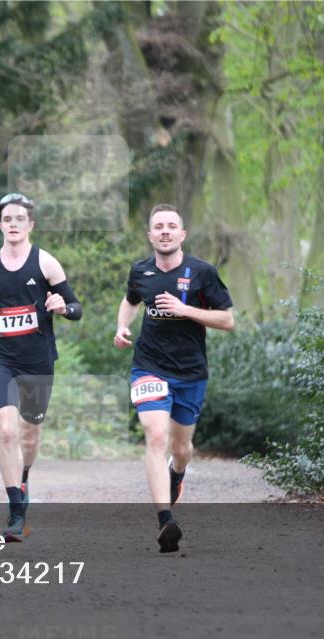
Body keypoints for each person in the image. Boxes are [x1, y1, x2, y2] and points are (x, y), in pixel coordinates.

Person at [114, 204, 234, 553]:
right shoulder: (140, 271)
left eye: (171, 226)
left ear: (182, 234)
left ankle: (177, 474)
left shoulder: (202, 272)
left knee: (181, 448)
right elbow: (130, 301)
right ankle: (165, 520)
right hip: (149, 366)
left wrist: (185, 310)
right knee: (155, 435)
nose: (164, 231)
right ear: (150, 235)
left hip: (190, 372)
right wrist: (122, 326)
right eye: (158, 226)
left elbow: (227, 320)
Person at [0, 193, 82, 541]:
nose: (13, 224)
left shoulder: (46, 263)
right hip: (0, 358)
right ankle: (16, 512)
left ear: (30, 224)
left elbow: (76, 308)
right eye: (7, 219)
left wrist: (62, 308)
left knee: (30, 432)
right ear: (0, 225)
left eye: (19, 219)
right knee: (7, 431)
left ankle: (24, 474)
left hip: (38, 361)